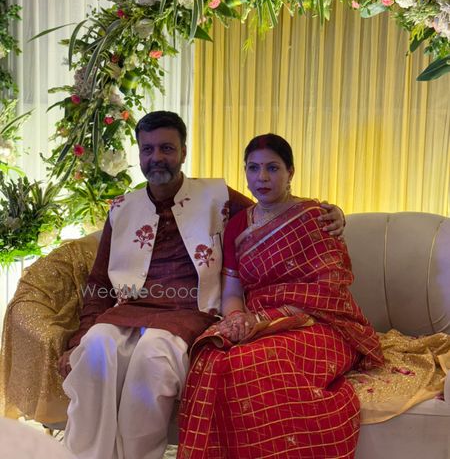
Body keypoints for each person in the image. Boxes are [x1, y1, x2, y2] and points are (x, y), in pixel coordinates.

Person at [57, 112, 345, 459]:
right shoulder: (122, 208)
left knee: (153, 356)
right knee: (95, 348)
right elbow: (100, 281)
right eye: (148, 149)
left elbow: (270, 214)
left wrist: (332, 213)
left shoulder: (216, 196)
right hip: (128, 310)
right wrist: (79, 337)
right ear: (139, 154)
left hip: (189, 313)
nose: (156, 157)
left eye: (167, 148)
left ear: (183, 152)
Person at [177, 133, 384, 459]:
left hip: (320, 324)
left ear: (291, 173)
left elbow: (330, 290)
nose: (261, 177)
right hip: (260, 323)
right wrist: (236, 318)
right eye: (253, 168)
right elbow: (232, 291)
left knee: (255, 362)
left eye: (272, 168)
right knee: (212, 357)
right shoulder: (238, 225)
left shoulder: (315, 217)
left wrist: (268, 318)